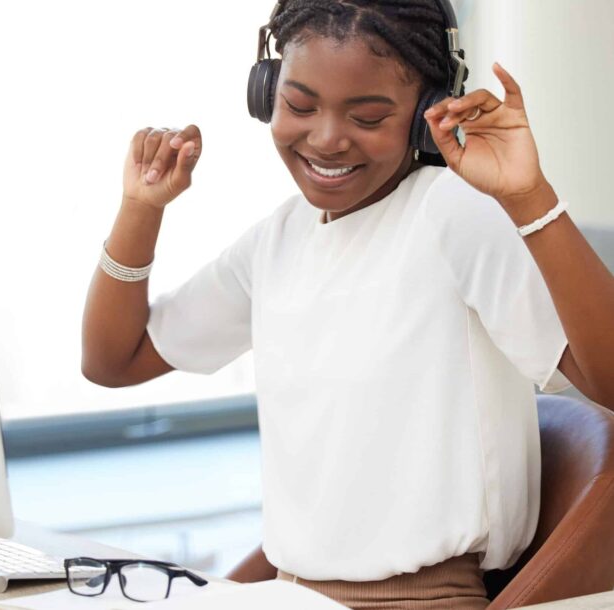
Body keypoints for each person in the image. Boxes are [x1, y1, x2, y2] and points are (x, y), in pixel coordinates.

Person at [81, 1, 614, 608]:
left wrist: (529, 199)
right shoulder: (280, 238)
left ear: (425, 114)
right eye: (299, 106)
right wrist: (141, 209)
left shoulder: (452, 213)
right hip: (289, 595)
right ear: (266, 93)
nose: (327, 138)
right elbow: (113, 361)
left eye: (367, 116)